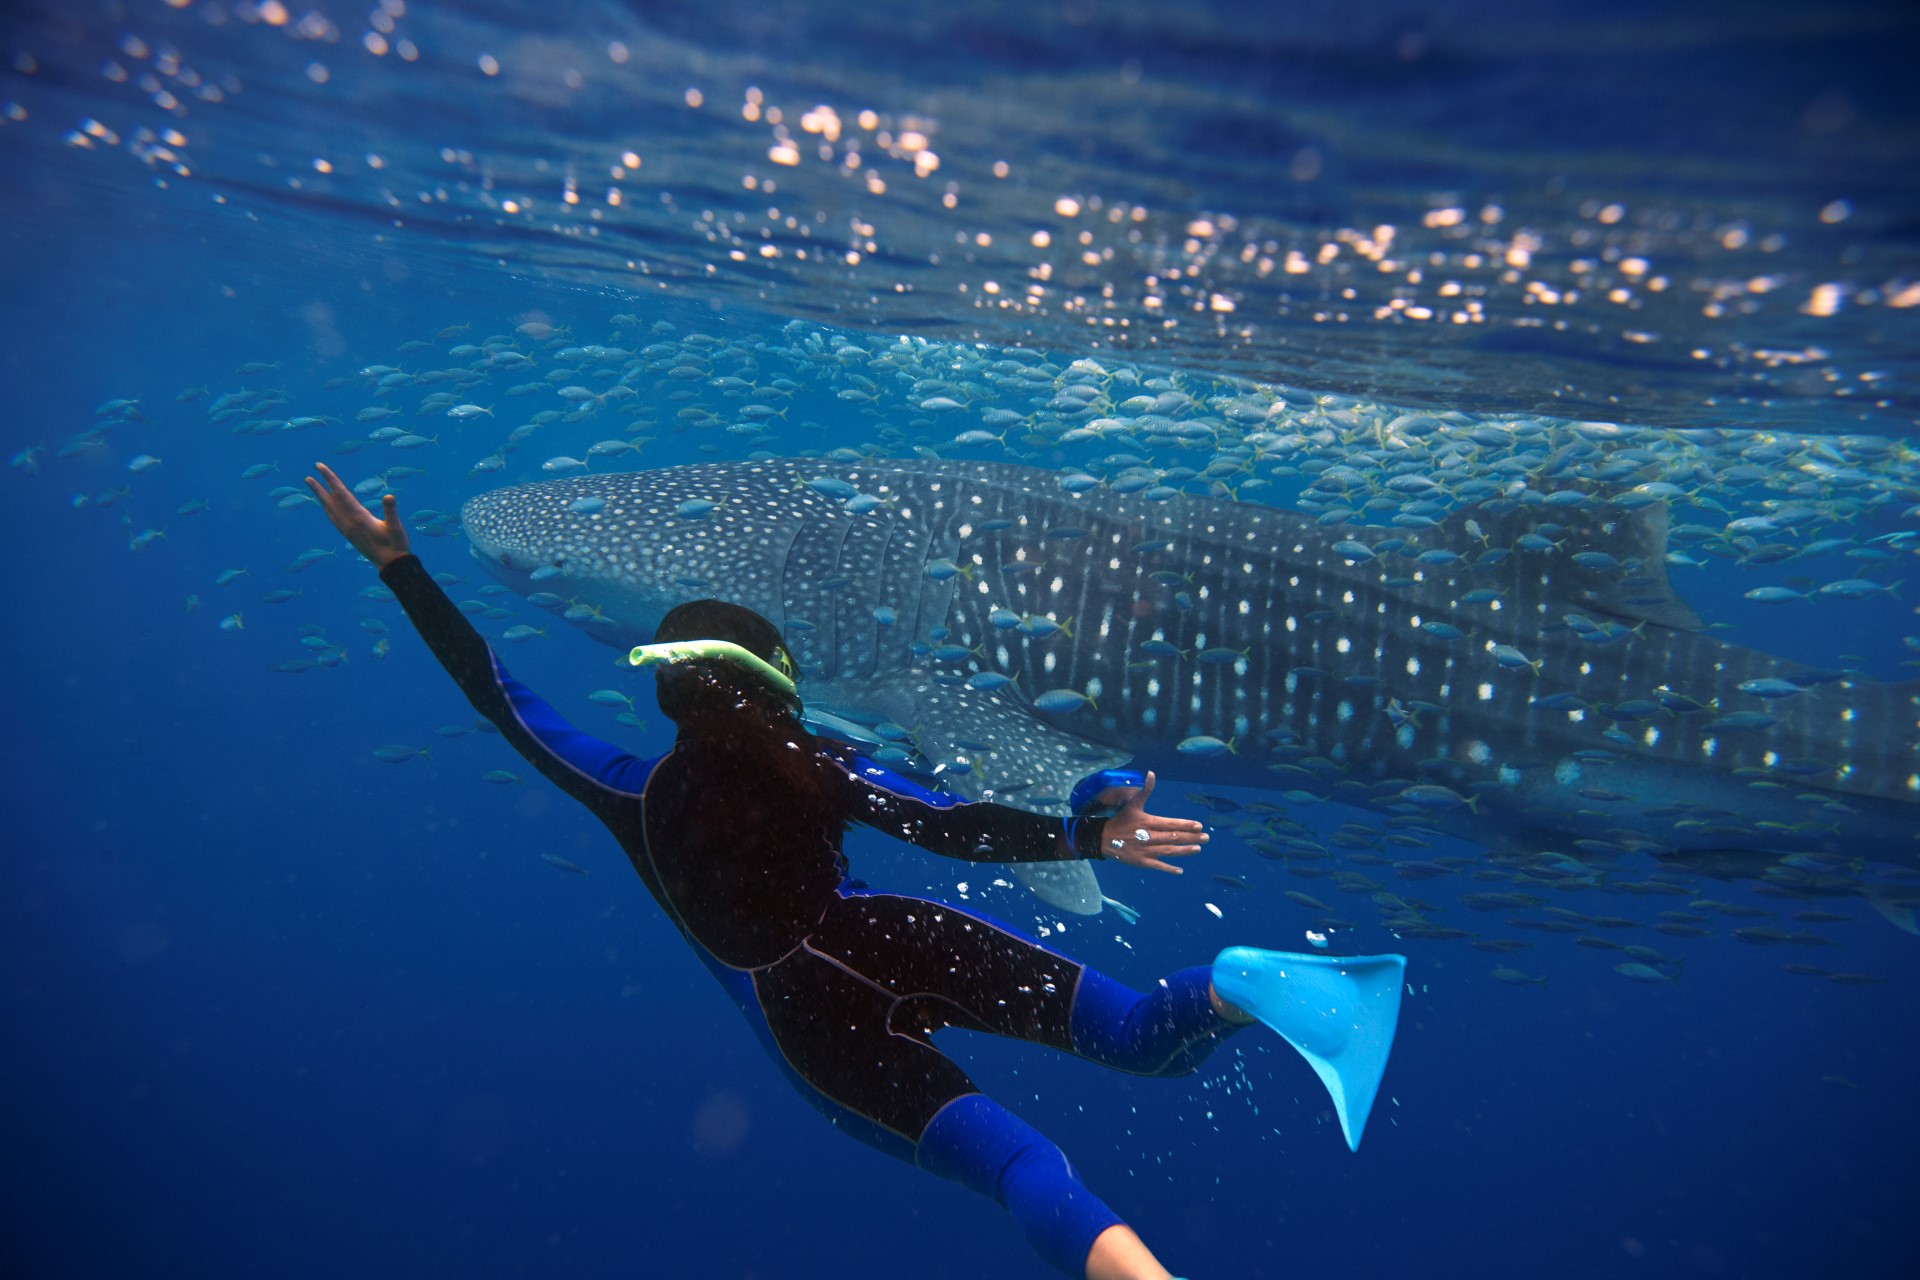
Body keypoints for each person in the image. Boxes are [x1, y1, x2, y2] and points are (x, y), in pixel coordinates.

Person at [306, 463, 1406, 1280]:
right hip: (905, 935)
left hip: (817, 1021)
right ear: (774, 674)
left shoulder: (627, 793)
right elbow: (959, 823)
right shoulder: (826, 760)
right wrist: (1083, 830)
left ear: (663, 686)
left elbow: (500, 698)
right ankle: (1238, 981)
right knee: (1133, 1034)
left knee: (1024, 1168)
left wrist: (401, 567)